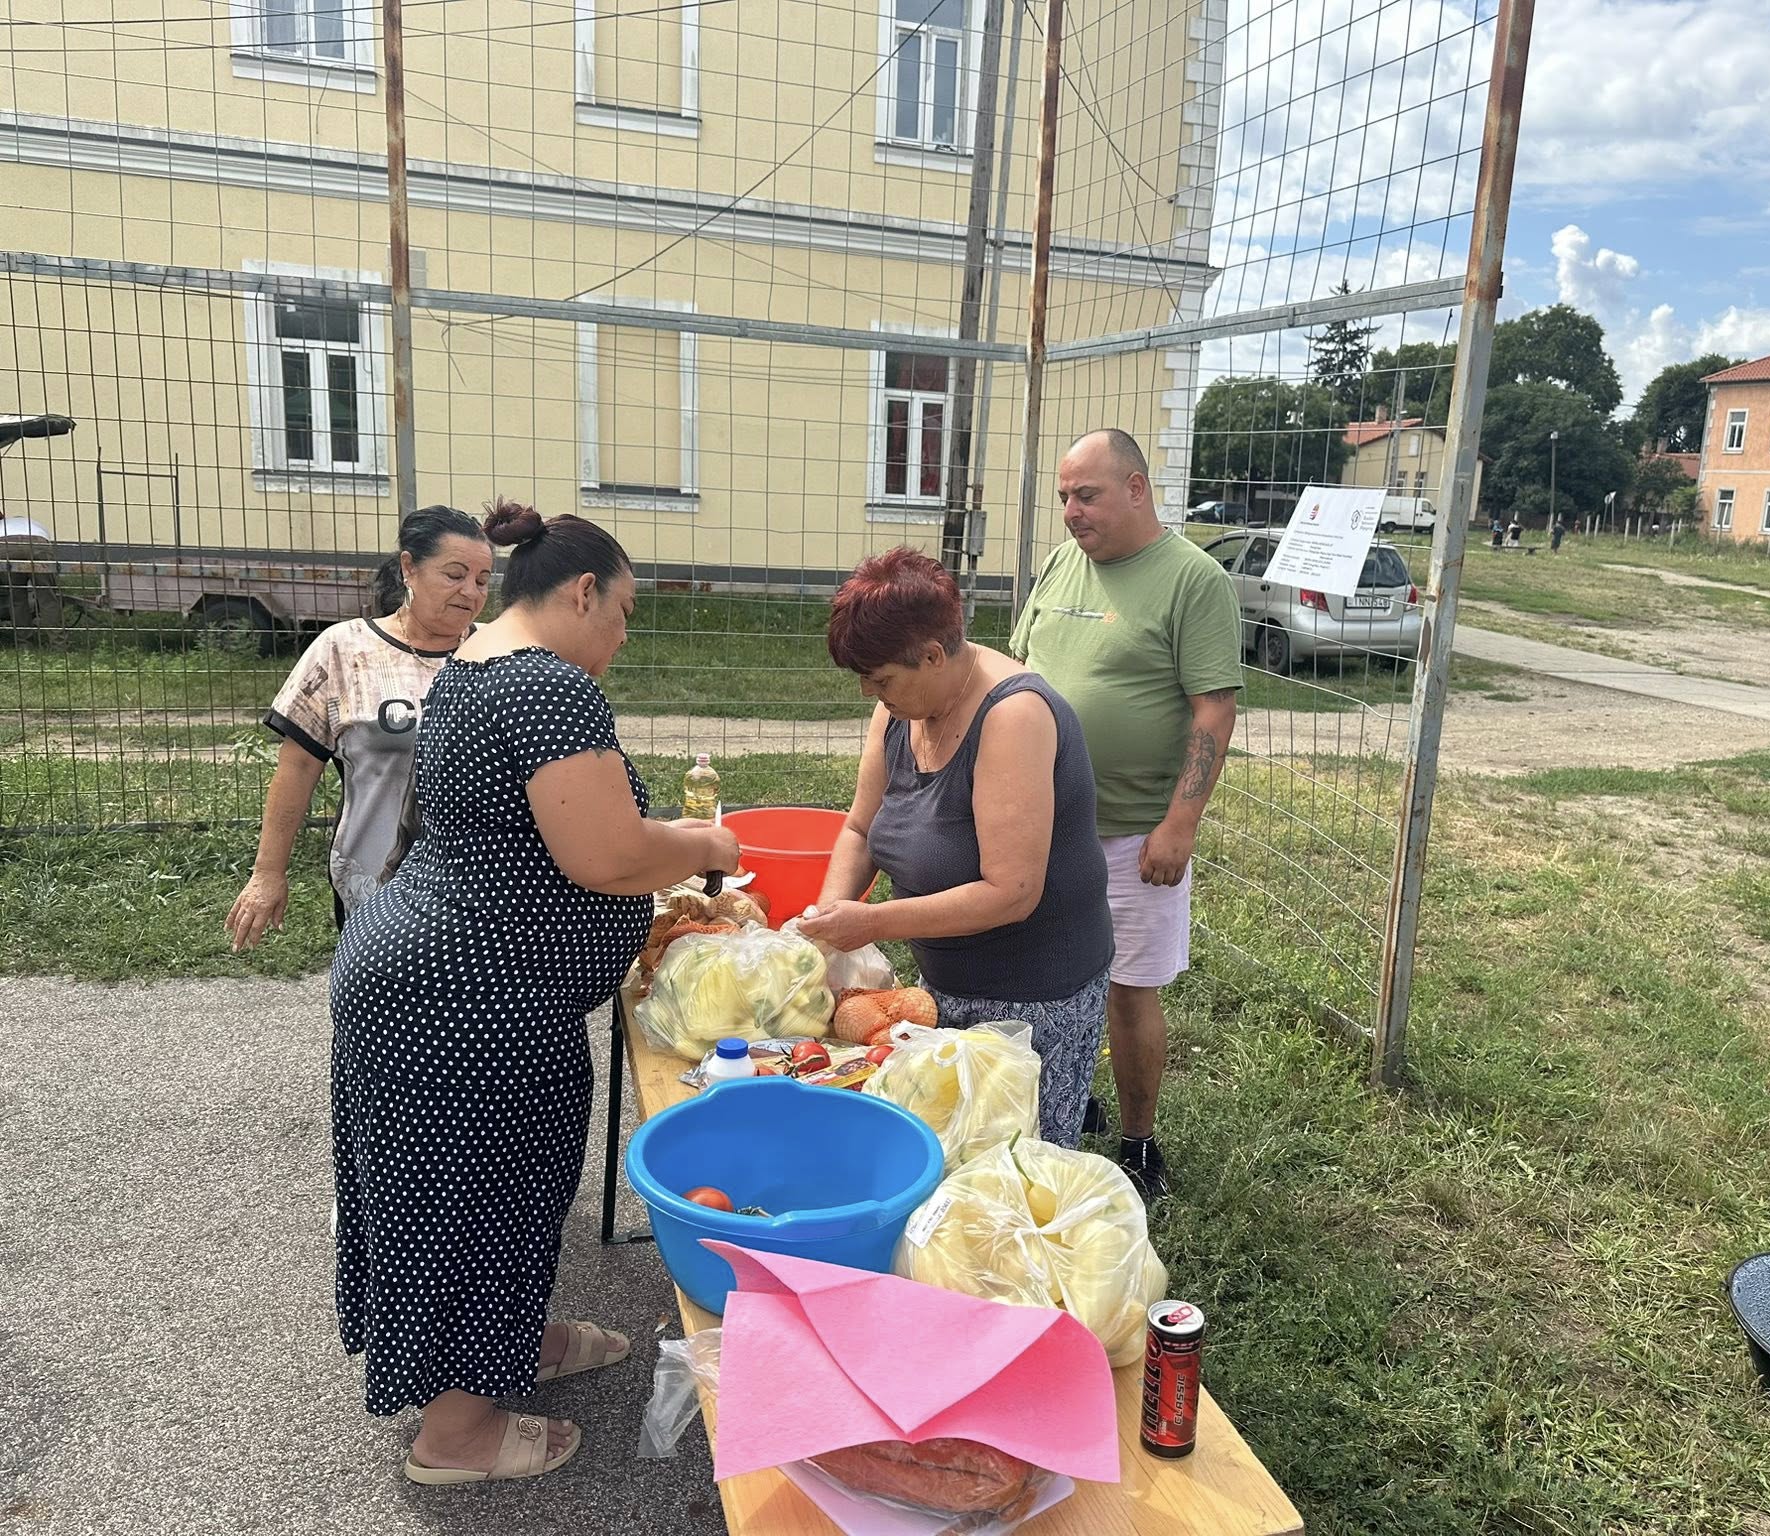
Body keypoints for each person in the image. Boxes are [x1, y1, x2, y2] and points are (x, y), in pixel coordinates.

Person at [329, 499, 738, 1484]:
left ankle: (505, 1346)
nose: (624, 636)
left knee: (503, 1196)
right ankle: (456, 1435)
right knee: (471, 1201)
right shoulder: (547, 687)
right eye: (626, 613)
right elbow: (604, 851)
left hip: (450, 987)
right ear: (583, 591)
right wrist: (704, 845)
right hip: (459, 1004)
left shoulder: (477, 667)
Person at [797, 549, 1114, 1147]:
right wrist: (826, 919)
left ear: (934, 656)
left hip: (1032, 998)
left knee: (1011, 1172)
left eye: (881, 677)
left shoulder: (1015, 716)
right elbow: (861, 827)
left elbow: (1012, 892)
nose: (870, 690)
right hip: (944, 982)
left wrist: (870, 922)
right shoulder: (898, 710)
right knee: (945, 1151)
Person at [1010, 429, 1241, 1200]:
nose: (1072, 512)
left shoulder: (1192, 580)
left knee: (1128, 988)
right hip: (1042, 825)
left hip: (1133, 832)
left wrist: (1180, 824)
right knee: (1041, 980)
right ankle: (1071, 1098)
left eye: (1089, 495)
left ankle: (1139, 1144)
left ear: (1137, 489)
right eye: (1065, 497)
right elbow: (1018, 674)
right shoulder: (1060, 561)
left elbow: (1213, 709)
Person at [227, 505, 494, 949]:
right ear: (409, 567)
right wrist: (267, 874)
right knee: (385, 1006)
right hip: (374, 884)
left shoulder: (497, 653)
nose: (471, 592)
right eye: (455, 574)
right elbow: (296, 770)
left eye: (483, 581)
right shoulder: (344, 648)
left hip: (483, 887)